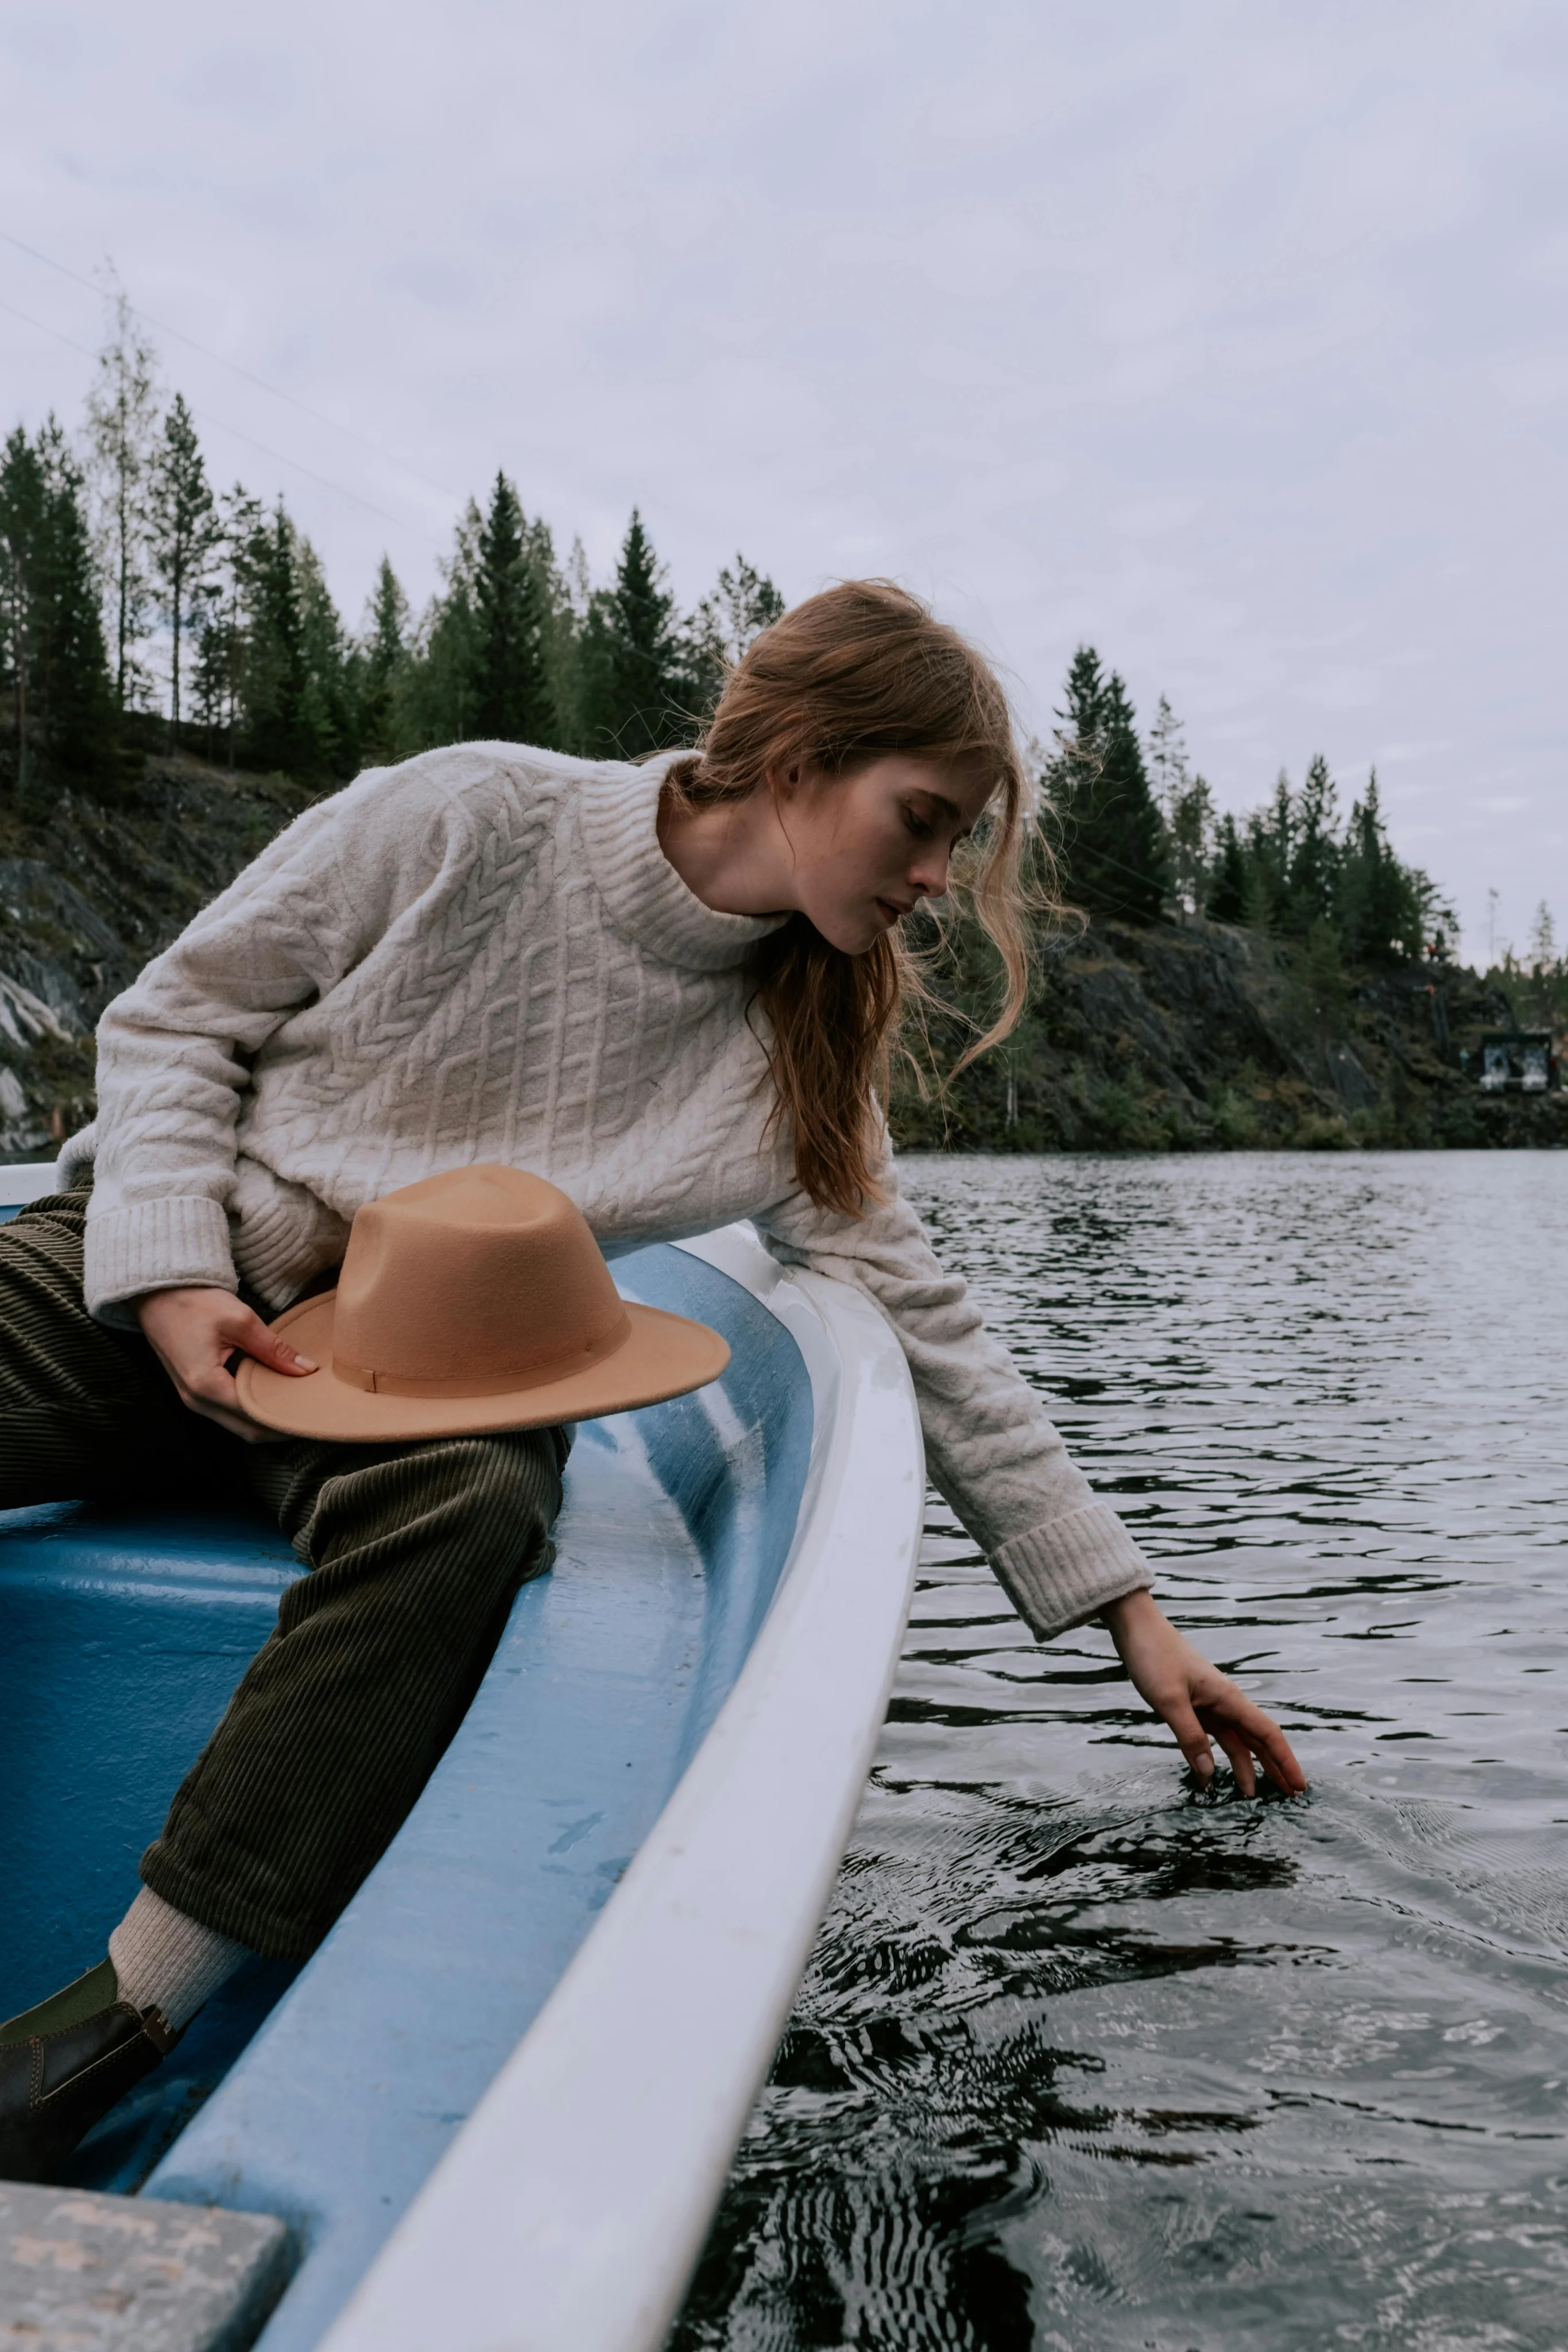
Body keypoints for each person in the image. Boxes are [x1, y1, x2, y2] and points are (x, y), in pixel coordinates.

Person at [0, 580, 1304, 2181]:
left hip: (431, 1391)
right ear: (802, 762)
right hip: (149, 1276)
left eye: (958, 841)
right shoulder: (461, 816)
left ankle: (105, 2033)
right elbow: (172, 1024)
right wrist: (177, 1274)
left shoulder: (800, 1042)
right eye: (922, 820)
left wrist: (1132, 1616)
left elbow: (924, 1320)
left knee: (473, 1513)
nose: (938, 879)